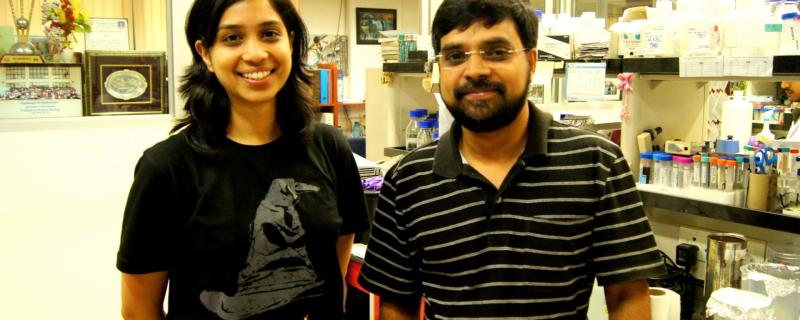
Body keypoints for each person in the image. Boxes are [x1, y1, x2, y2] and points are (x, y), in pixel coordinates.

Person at [357, 0, 666, 319]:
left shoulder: (597, 163)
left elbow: (628, 296)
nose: (475, 70)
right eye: (455, 56)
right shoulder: (409, 178)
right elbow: (396, 304)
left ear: (532, 61)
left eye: (496, 52)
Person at [116, 0, 370, 319]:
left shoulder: (330, 147)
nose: (254, 53)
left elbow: (337, 259)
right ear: (205, 53)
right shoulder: (167, 167)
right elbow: (140, 310)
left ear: (290, 42)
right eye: (232, 38)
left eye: (269, 33)